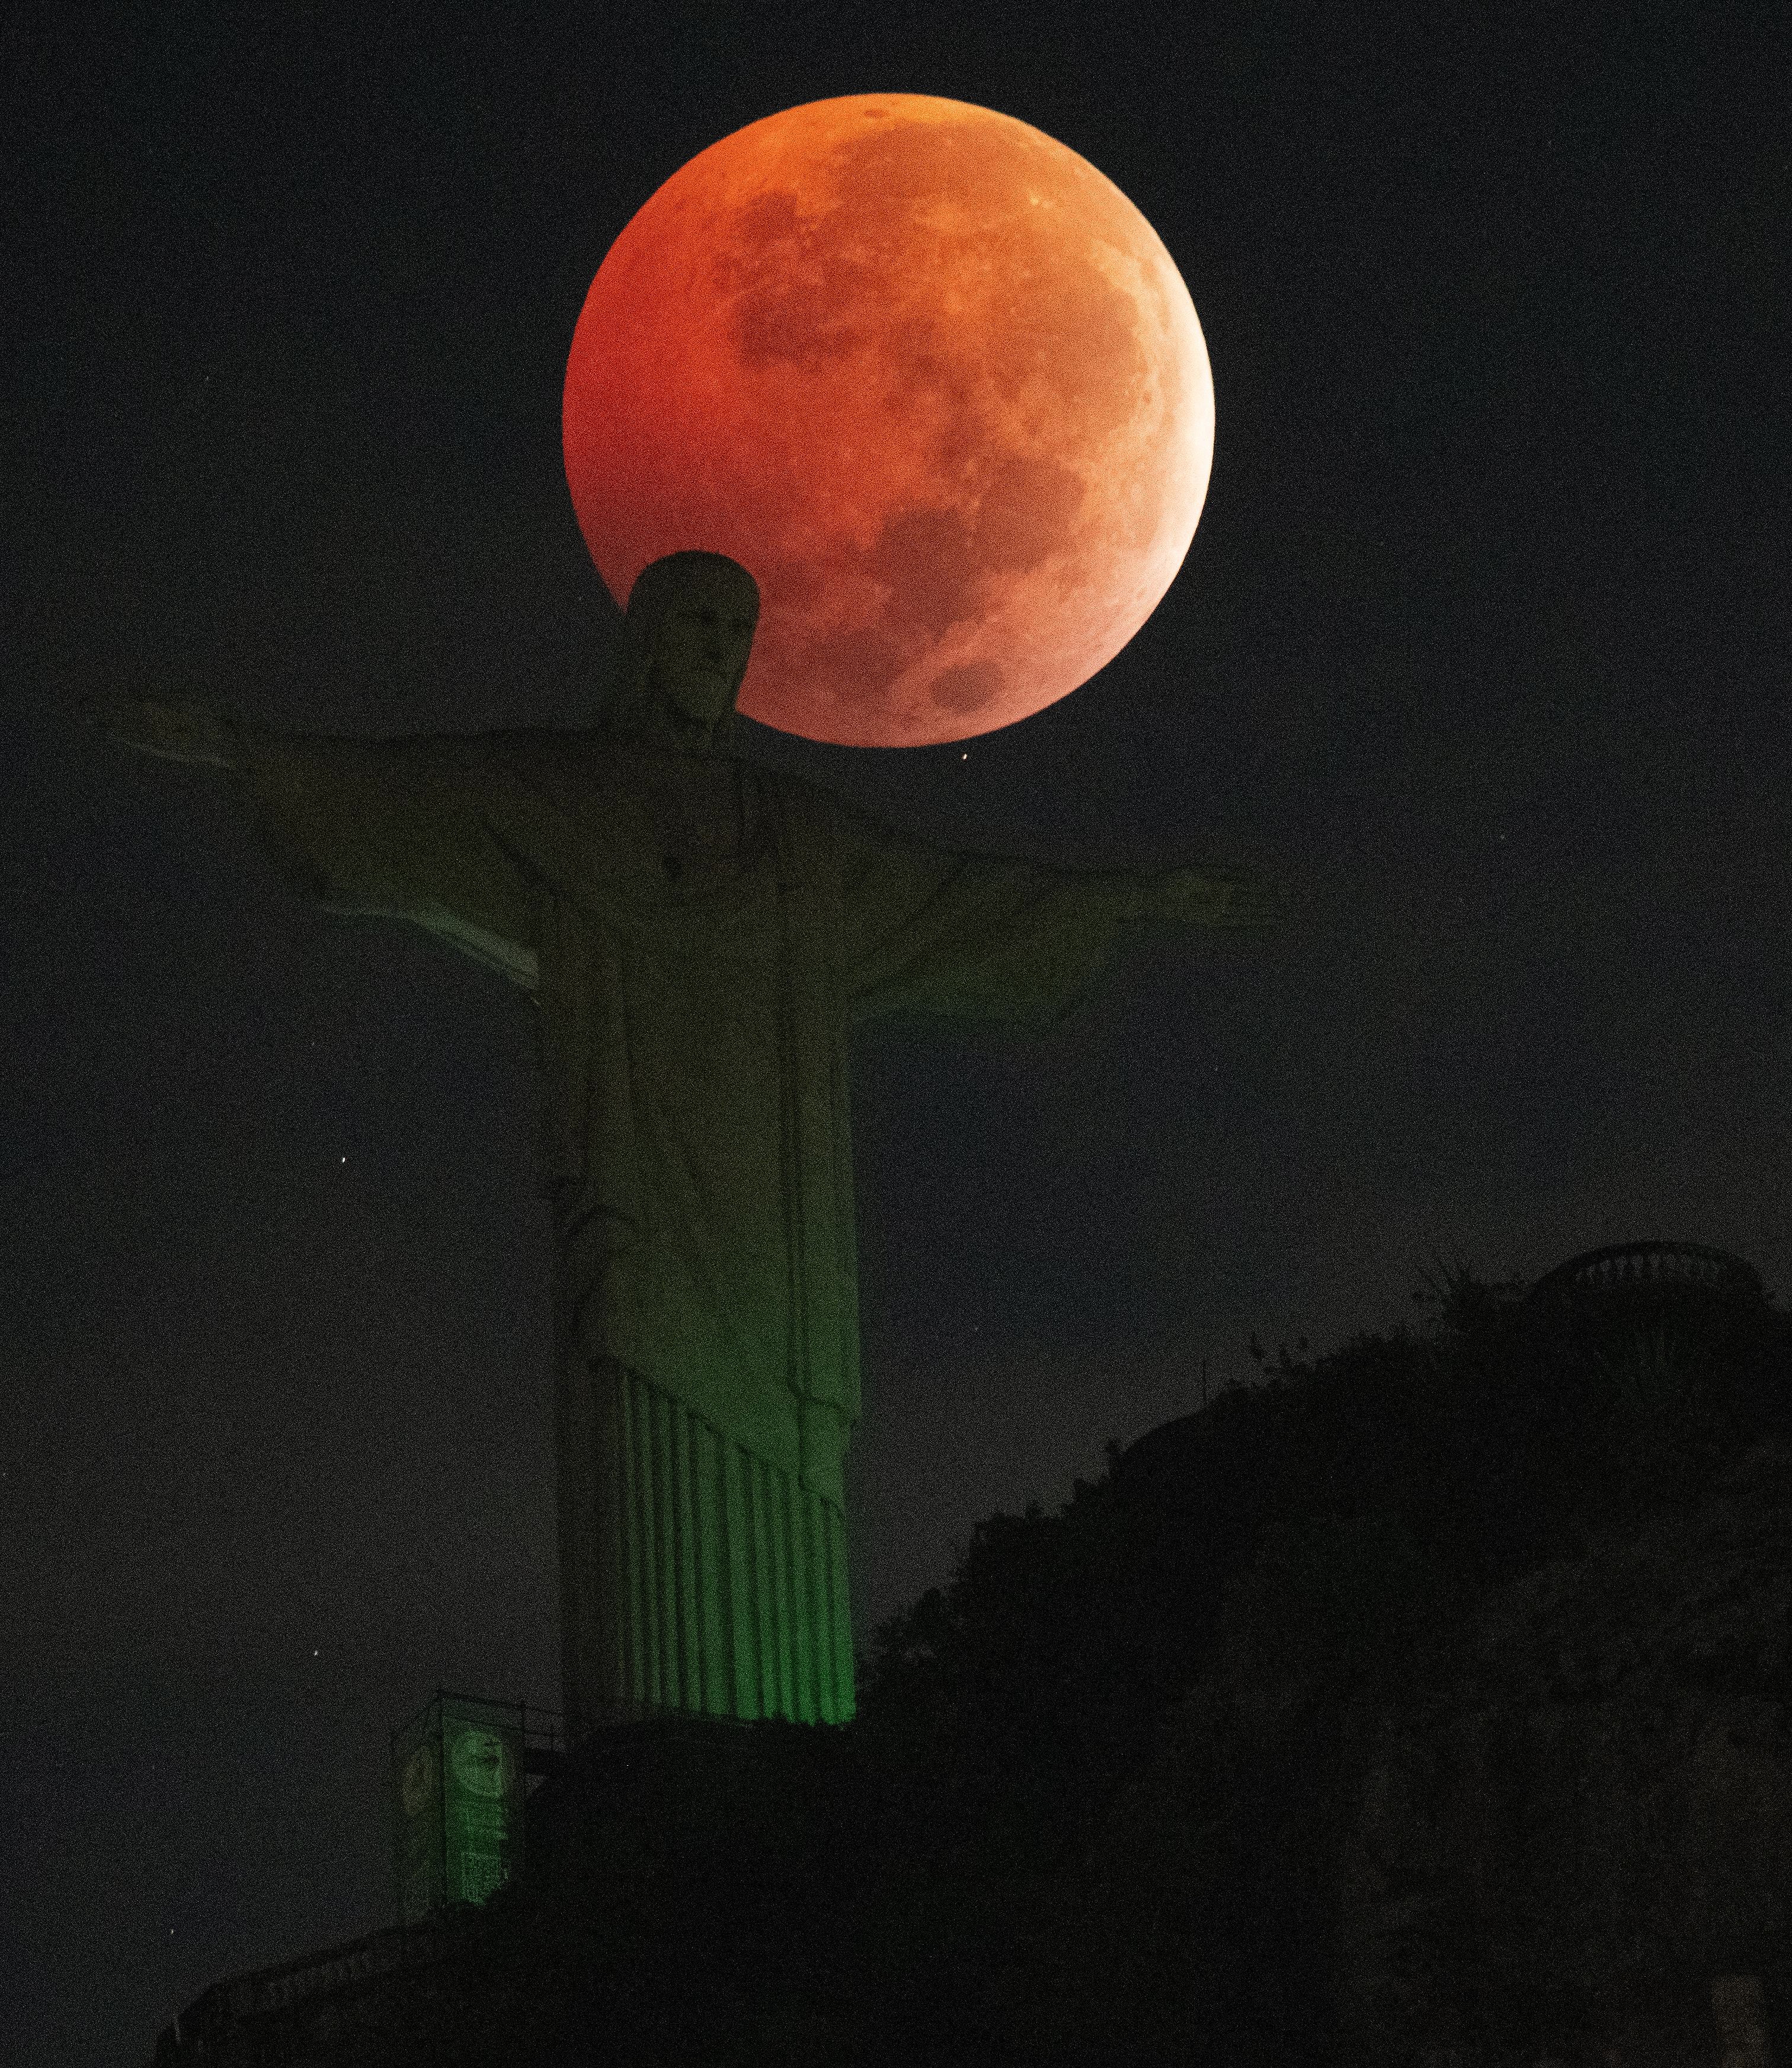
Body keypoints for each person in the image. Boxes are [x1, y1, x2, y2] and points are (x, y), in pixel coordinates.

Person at [90, 549, 1284, 1741]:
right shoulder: (563, 792)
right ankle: (659, 1770)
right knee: (643, 1404)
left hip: (776, 1218)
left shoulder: (796, 837)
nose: (719, 651)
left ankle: (776, 1783)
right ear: (649, 638)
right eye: (700, 625)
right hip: (639, 1182)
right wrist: (243, 746)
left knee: (781, 1473)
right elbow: (408, 790)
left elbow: (953, 890)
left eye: (738, 631)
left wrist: (1125, 899)